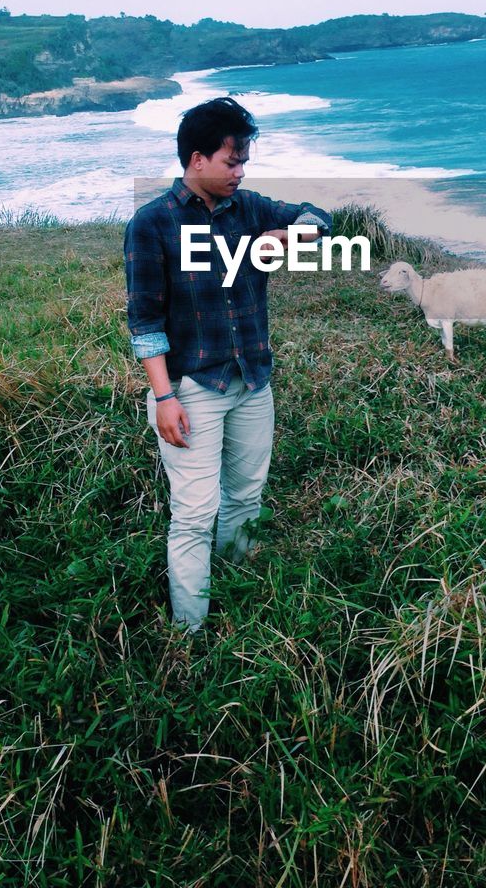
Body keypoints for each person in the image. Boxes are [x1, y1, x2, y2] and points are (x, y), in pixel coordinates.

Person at [124, 96, 330, 631]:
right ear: (197, 160)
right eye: (231, 162)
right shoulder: (152, 224)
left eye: (243, 162)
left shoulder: (252, 207)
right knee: (193, 513)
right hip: (192, 387)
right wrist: (164, 397)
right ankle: (187, 634)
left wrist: (292, 235)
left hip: (252, 381)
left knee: (245, 496)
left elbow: (320, 218)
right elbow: (144, 322)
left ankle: (237, 597)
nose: (240, 172)